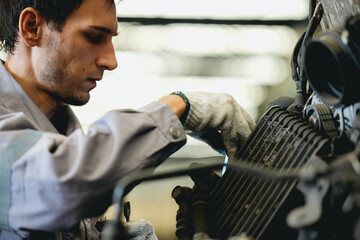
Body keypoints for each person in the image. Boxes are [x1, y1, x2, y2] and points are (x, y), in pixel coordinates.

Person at [0, 0, 255, 239]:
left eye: (110, 40)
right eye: (93, 36)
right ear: (32, 28)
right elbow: (60, 186)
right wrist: (177, 107)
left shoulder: (62, 134)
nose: (111, 61)